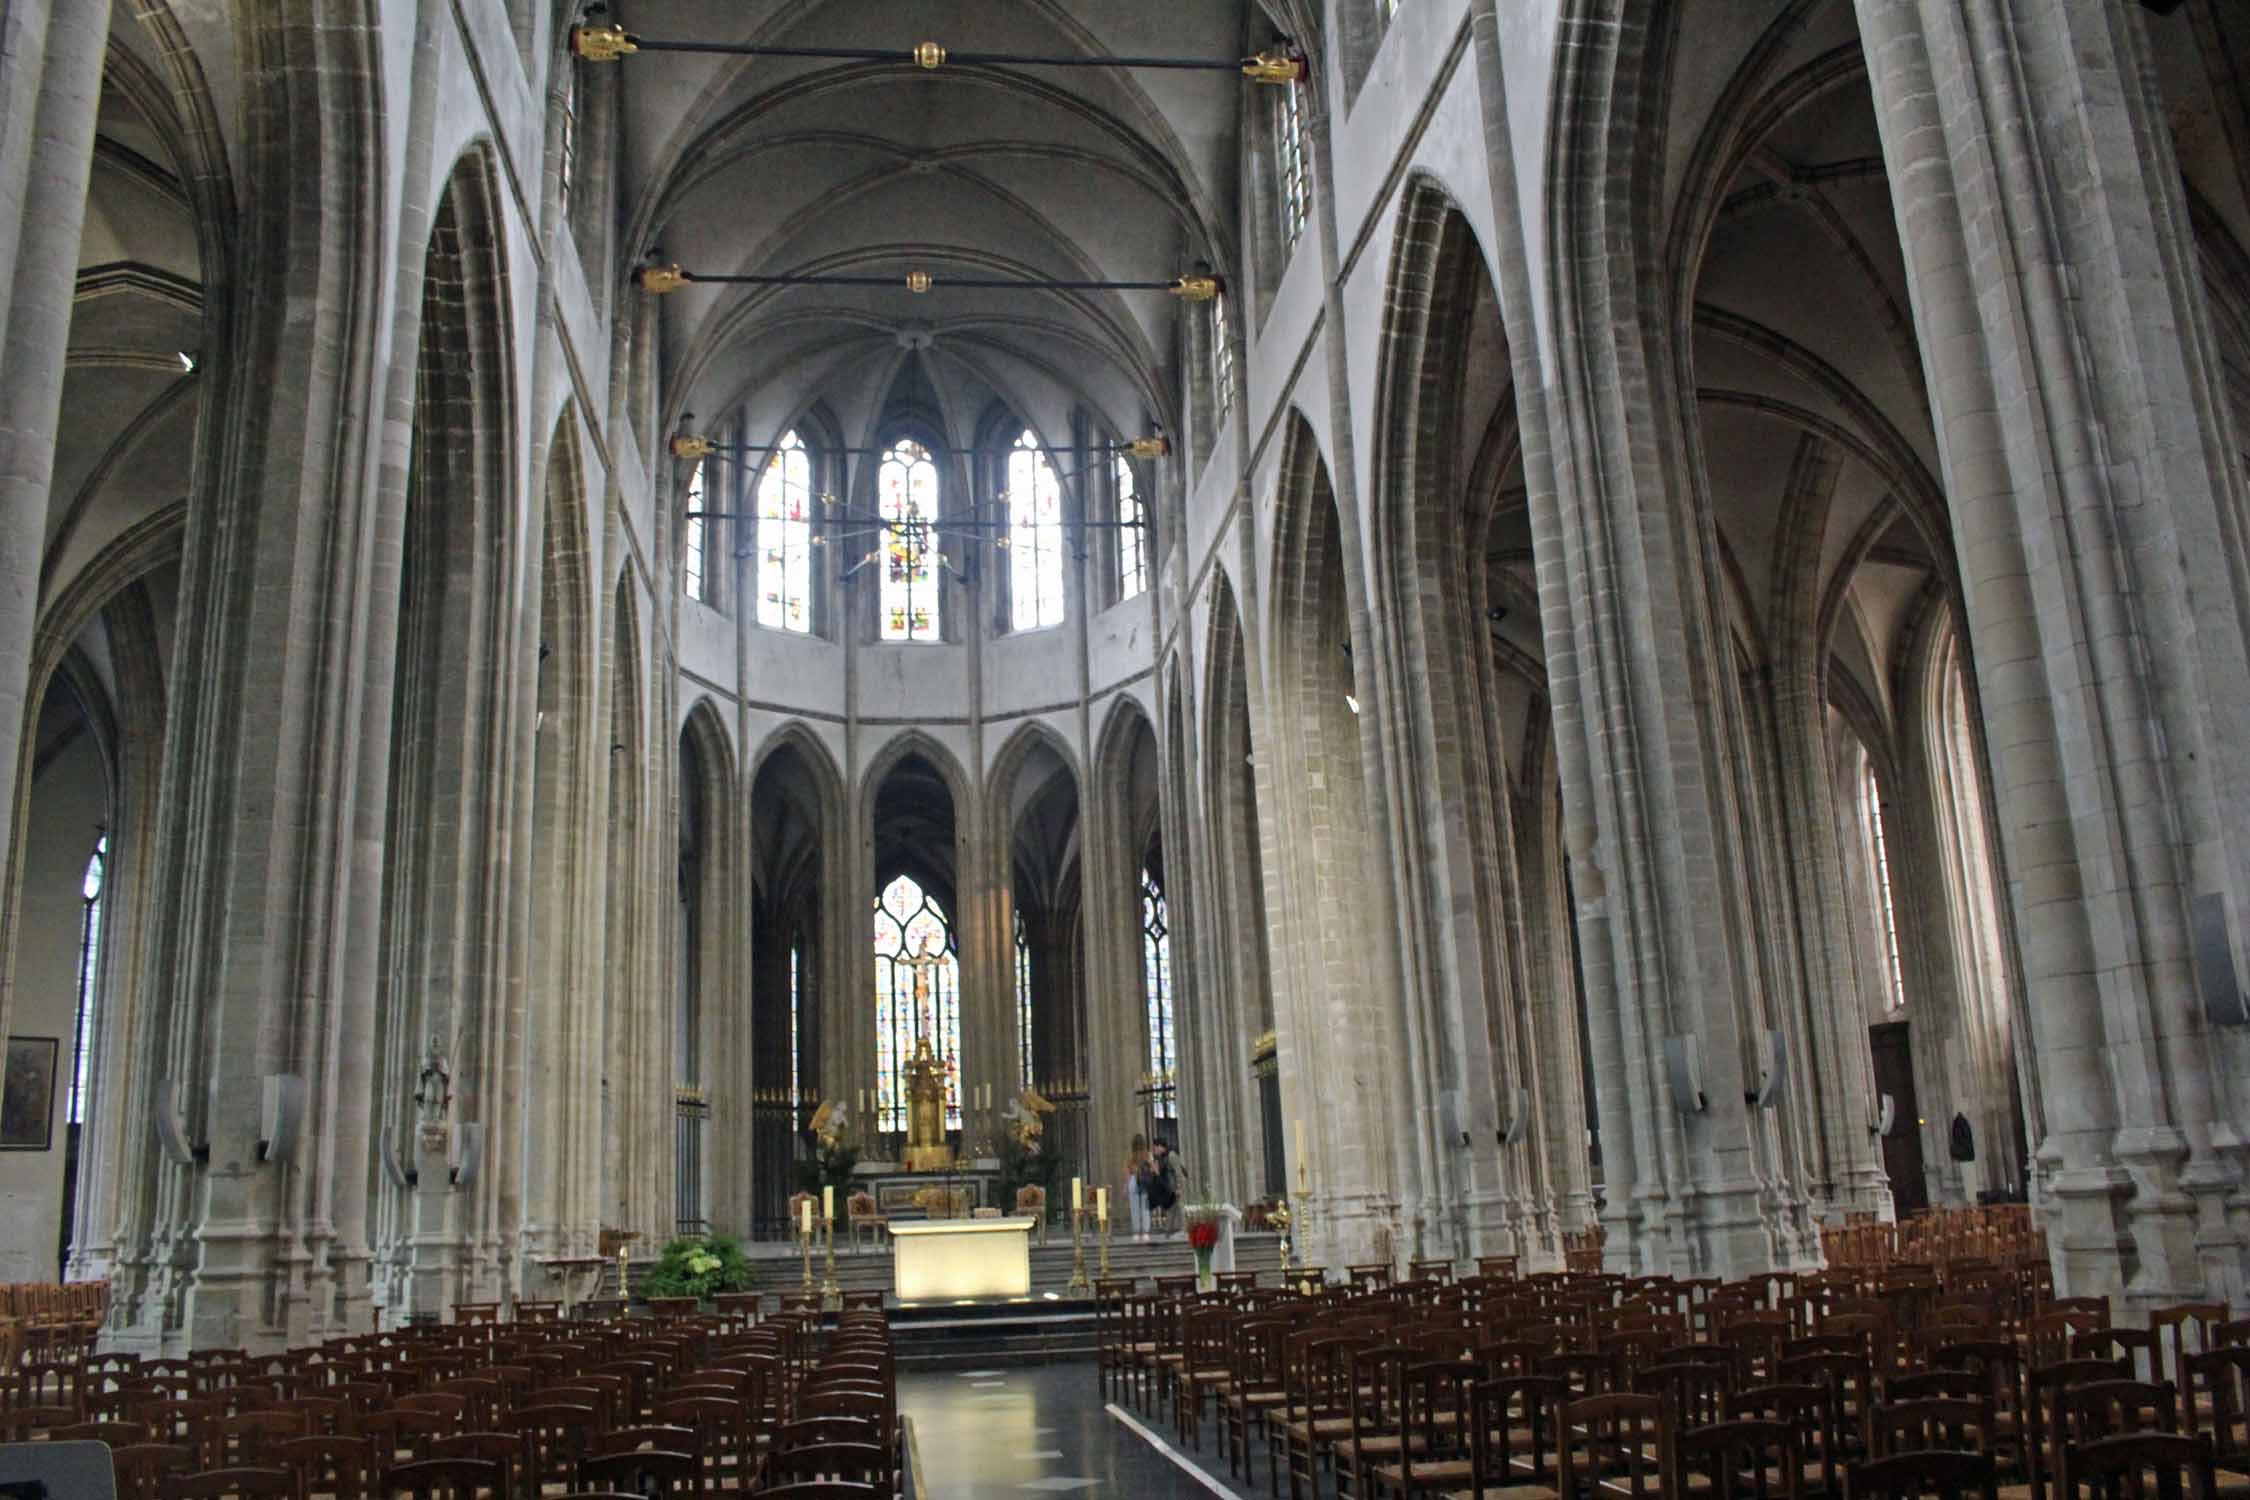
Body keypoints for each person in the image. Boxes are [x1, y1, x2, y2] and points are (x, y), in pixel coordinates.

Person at [1145, 1137, 1180, 1233]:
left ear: (1160, 1146)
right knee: (1170, 1211)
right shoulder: (1162, 1158)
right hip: (1167, 1189)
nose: (1154, 1151)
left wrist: (1178, 1188)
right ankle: (1170, 1232)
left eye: (1155, 1148)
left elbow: (1178, 1172)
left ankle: (1174, 1231)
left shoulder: (1171, 1155)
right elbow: (1158, 1173)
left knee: (1174, 1211)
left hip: (1173, 1188)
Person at [1123, 1134, 1153, 1241]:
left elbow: (1127, 1172)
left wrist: (1125, 1187)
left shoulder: (1131, 1156)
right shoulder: (1148, 1155)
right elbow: (1152, 1169)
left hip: (1133, 1180)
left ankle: (1136, 1232)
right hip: (1145, 1181)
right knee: (1145, 1208)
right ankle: (1146, 1232)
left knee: (1134, 1208)